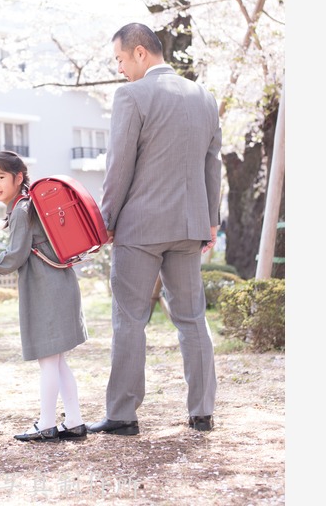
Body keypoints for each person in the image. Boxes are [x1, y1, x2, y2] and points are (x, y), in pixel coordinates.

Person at [90, 23, 223, 436]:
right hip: (189, 224)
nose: (120, 68)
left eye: (120, 59)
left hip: (140, 227)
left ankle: (122, 415)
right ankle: (202, 411)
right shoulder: (204, 96)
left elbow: (119, 165)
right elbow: (212, 164)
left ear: (140, 53)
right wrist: (211, 221)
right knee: (192, 318)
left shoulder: (131, 95)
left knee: (130, 319)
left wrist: (106, 221)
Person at [0, 150, 89, 443]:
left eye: (0, 177)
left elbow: (15, 256)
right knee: (57, 361)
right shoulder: (29, 205)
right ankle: (74, 421)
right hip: (59, 284)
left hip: (45, 289)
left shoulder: (22, 210)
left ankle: (47, 424)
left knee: (48, 361)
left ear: (18, 177)